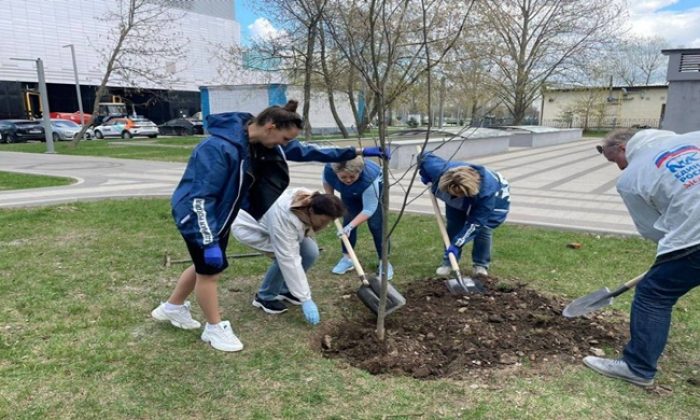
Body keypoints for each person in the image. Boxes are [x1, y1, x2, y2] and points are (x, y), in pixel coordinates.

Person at [151, 100, 390, 352]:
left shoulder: (259, 143)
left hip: (220, 214)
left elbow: (308, 151)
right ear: (271, 127)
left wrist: (356, 152)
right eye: (284, 139)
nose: (285, 146)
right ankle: (214, 329)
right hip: (198, 216)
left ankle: (172, 308)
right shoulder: (218, 148)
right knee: (210, 271)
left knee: (202, 266)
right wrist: (208, 239)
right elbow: (200, 198)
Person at [583, 128, 700, 387]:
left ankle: (637, 367)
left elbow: (652, 229)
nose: (620, 169)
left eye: (616, 162)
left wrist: (673, 256)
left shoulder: (632, 177)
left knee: (654, 294)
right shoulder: (694, 137)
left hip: (695, 236)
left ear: (623, 149)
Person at [232, 188, 345, 324]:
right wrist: (306, 299)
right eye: (323, 221)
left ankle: (286, 290)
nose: (325, 226)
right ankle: (265, 297)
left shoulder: (311, 198)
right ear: (311, 211)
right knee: (284, 261)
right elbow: (289, 260)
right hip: (252, 228)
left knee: (310, 252)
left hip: (276, 225)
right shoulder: (284, 218)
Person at [418, 151, 510, 277]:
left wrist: (457, 244)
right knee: (454, 225)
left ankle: (480, 265)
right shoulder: (438, 169)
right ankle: (449, 262)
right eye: (452, 194)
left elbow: (476, 224)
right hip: (464, 188)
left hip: (492, 198)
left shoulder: (486, 196)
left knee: (483, 230)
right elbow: (424, 155)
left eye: (458, 195)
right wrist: (424, 173)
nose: (454, 197)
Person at [322, 156, 393, 279]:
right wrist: (330, 204)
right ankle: (348, 259)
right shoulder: (329, 170)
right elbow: (328, 187)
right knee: (348, 218)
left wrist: (350, 227)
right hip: (349, 192)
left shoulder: (370, 178)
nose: (348, 180)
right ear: (336, 173)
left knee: (376, 225)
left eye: (352, 176)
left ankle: (385, 262)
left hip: (374, 190)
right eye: (343, 177)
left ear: (359, 172)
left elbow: (369, 209)